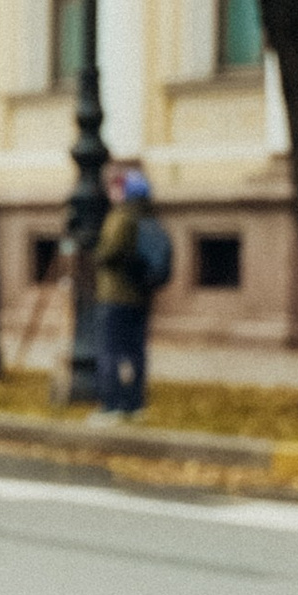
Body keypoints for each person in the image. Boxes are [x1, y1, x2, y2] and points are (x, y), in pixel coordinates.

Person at [90, 165, 165, 416]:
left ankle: (112, 405)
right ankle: (135, 403)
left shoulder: (121, 217)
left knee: (111, 351)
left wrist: (95, 250)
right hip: (140, 294)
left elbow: (109, 252)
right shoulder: (147, 217)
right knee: (135, 352)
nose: (111, 191)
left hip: (115, 294)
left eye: (116, 187)